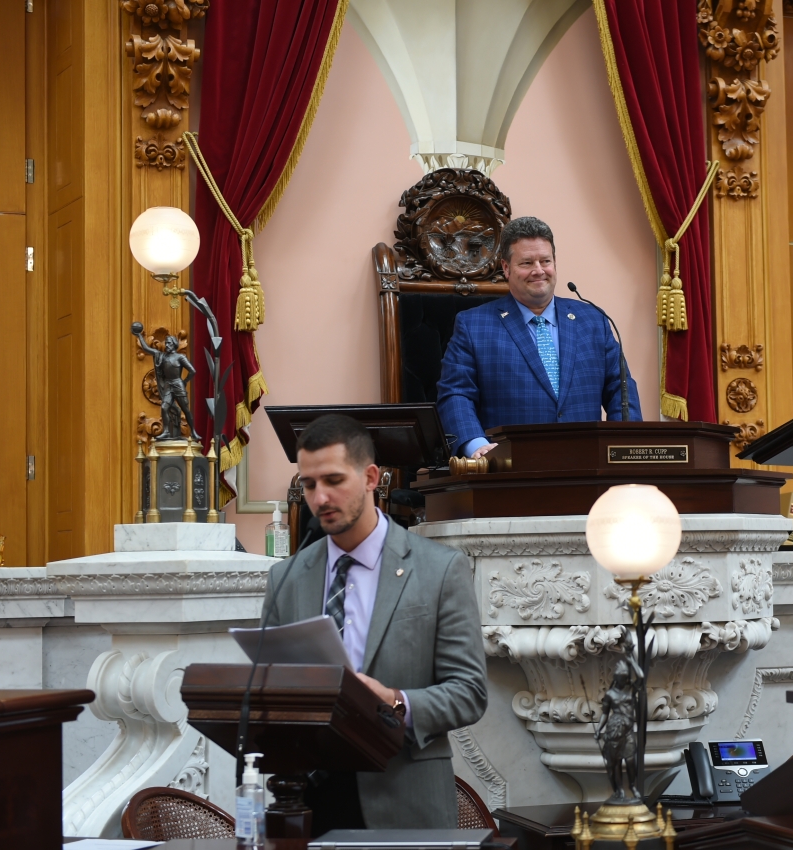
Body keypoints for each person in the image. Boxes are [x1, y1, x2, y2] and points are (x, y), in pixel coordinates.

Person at [260, 414, 486, 831]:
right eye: (309, 485)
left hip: (403, 799)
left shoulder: (439, 570)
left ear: (370, 477)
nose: (320, 498)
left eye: (333, 480)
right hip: (303, 801)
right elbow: (266, 689)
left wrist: (396, 702)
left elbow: (470, 693)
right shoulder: (286, 577)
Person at [436, 216, 641, 459]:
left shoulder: (593, 319)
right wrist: (476, 445)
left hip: (587, 467)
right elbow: (456, 394)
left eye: (546, 261)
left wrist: (623, 444)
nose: (539, 271)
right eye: (526, 263)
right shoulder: (473, 325)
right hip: (511, 470)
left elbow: (620, 387)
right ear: (506, 268)